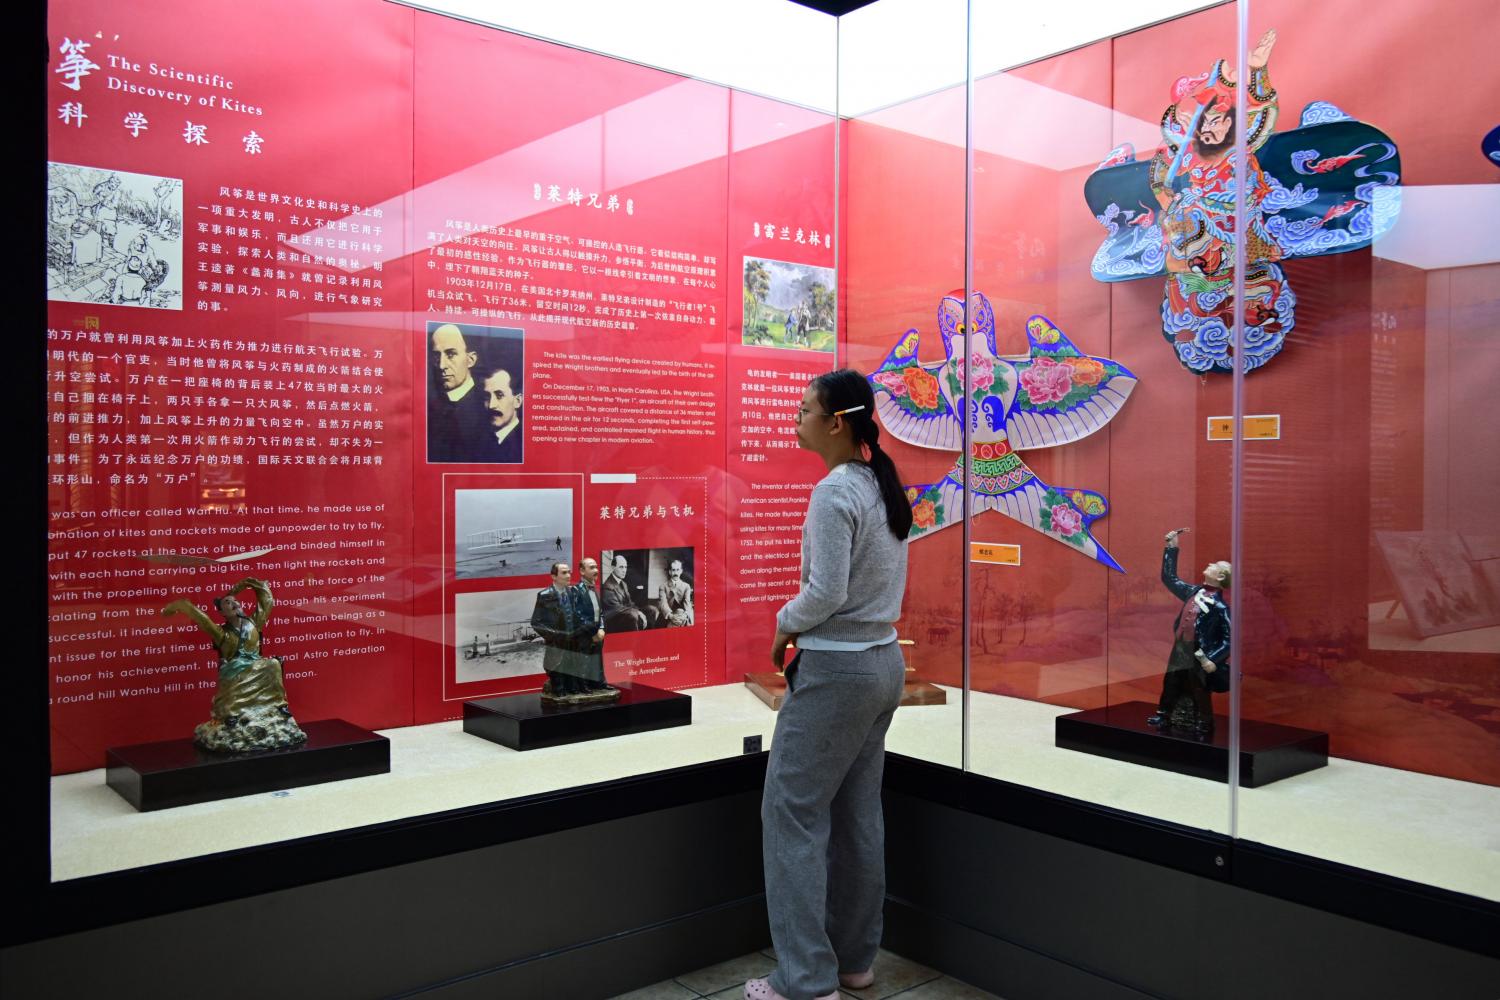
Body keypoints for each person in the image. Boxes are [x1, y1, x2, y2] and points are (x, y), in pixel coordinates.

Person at [747, 368, 912, 1000]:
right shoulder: (878, 483)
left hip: (837, 672)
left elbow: (825, 593)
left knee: (790, 813)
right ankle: (853, 962)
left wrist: (783, 623)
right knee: (857, 814)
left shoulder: (835, 491)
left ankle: (805, 980)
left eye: (803, 410)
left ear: (836, 422)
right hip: (882, 665)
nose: (796, 419)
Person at [161, 577, 307, 753]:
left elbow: (266, 600)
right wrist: (181, 605)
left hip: (256, 664)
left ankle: (279, 705)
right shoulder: (222, 633)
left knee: (273, 664)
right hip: (234, 669)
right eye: (228, 603)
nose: (235, 604)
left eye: (235, 601)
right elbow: (202, 619)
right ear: (222, 612)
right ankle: (232, 712)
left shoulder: (254, 623)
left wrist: (246, 583)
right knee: (241, 671)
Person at [1147, 528, 1231, 737]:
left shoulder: (1220, 607)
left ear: (1220, 576)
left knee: (1199, 687)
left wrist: (1213, 659)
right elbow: (1169, 578)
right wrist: (1172, 548)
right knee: (1171, 680)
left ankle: (1204, 722)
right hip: (1180, 647)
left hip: (1200, 652)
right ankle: (1164, 714)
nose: (1209, 564)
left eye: (1215, 565)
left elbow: (1230, 640)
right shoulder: (1193, 592)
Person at [427, 323, 490, 462]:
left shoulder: (488, 408)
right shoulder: (430, 409)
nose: (441, 365)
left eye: (451, 355)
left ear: (470, 360)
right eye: (437, 356)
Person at [568, 556, 614, 695]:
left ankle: (599, 683)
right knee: (584, 660)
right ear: (582, 571)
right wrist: (592, 631)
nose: (596, 570)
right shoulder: (575, 590)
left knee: (597, 659)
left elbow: (601, 613)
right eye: (592, 567)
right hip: (584, 633)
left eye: (596, 567)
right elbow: (576, 614)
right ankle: (583, 686)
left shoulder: (595, 589)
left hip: (598, 633)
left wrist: (601, 628)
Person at [477, 362, 524, 464]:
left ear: (517, 401)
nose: (491, 405)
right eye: (487, 397)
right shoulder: (478, 442)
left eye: (499, 395)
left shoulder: (524, 445)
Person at [601, 553, 649, 632]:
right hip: (614, 620)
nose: (624, 570)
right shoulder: (608, 586)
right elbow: (616, 609)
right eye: (621, 567)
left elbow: (629, 603)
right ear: (613, 568)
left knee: (651, 610)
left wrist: (639, 611)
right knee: (633, 615)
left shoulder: (623, 583)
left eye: (625, 567)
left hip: (625, 615)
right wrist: (637, 612)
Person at [656, 558, 694, 627]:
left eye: (678, 570)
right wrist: (671, 616)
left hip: (682, 616)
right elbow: (663, 603)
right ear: (670, 572)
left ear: (681, 571)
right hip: (667, 615)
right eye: (673, 570)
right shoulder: (663, 586)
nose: (676, 573)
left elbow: (687, 603)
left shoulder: (686, 586)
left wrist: (684, 615)